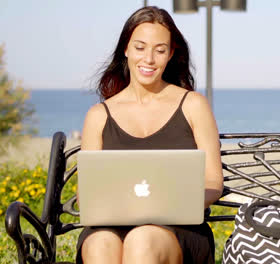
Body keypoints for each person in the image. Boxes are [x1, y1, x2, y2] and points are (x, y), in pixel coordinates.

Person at [77, 6, 223, 264]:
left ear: (170, 54)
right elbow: (86, 193)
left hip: (179, 232)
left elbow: (213, 182)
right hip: (111, 228)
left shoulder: (193, 105)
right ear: (126, 49)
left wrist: (173, 207)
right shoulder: (99, 115)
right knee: (100, 243)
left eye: (160, 50)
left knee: (142, 239)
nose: (149, 59)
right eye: (140, 47)